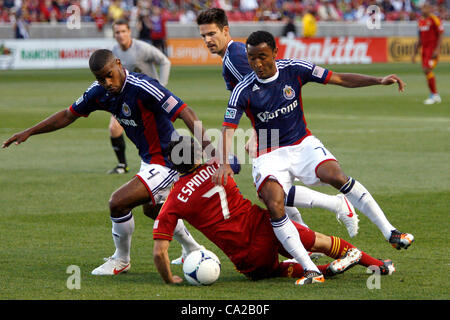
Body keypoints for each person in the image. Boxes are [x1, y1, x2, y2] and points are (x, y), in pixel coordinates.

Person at [212, 30, 414, 275]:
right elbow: (228, 128)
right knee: (274, 204)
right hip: (269, 154)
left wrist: (378, 80)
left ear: (275, 53)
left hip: (302, 144)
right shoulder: (243, 89)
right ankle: (311, 270)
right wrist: (223, 161)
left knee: (336, 176)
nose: (257, 64)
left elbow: (338, 78)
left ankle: (390, 232)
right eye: (252, 58)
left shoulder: (295, 69)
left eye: (263, 57)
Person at [2, 49, 213, 276]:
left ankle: (121, 260)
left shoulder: (143, 87)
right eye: (100, 78)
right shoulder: (99, 92)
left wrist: (212, 152)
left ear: (119, 64)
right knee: (153, 210)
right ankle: (192, 248)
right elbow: (67, 114)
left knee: (118, 202)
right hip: (149, 160)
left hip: (170, 160)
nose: (107, 82)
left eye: (110, 75)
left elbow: (185, 111)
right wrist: (29, 132)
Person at [196, 8, 359, 241]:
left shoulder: (235, 57)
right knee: (273, 191)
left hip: (272, 131)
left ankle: (334, 207)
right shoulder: (230, 58)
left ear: (225, 31)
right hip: (266, 129)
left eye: (211, 34)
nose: (207, 40)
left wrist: (256, 134)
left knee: (271, 191)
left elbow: (262, 93)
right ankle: (308, 239)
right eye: (203, 36)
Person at [152, 136, 396, 285]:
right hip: (266, 226)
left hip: (245, 256)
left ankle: (326, 271)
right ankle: (378, 265)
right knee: (320, 242)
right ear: (196, 154)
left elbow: (159, 253)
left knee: (276, 271)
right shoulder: (218, 165)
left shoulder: (174, 201)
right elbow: (235, 162)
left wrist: (168, 279)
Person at [108, 19, 172, 174]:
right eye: (117, 32)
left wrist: (161, 86)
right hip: (126, 98)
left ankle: (172, 163)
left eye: (123, 31)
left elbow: (164, 61)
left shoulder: (142, 48)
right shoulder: (113, 52)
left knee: (161, 132)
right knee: (114, 128)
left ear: (129, 32)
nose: (121, 35)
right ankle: (122, 165)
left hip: (150, 97)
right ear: (114, 35)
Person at [412, 2, 444, 105]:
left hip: (432, 50)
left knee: (427, 69)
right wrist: (415, 53)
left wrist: (437, 49)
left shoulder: (434, 19)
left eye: (425, 8)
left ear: (430, 9)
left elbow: (440, 34)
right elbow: (420, 38)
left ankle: (434, 95)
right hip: (424, 51)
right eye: (422, 8)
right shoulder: (420, 21)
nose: (423, 10)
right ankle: (434, 95)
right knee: (426, 71)